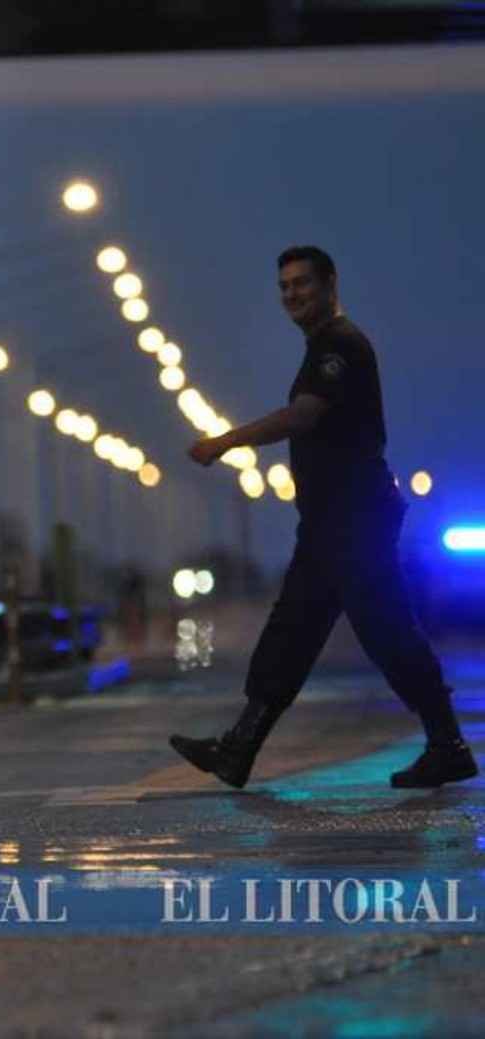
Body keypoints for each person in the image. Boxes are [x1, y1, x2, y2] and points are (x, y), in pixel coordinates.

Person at [170, 245, 475, 790]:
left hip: (355, 520)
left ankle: (447, 744)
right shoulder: (322, 347)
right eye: (284, 286)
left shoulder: (339, 345)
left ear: (330, 283)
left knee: (386, 631)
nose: (291, 295)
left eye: (302, 284)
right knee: (292, 629)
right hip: (331, 522)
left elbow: (305, 414)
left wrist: (227, 441)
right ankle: (238, 748)